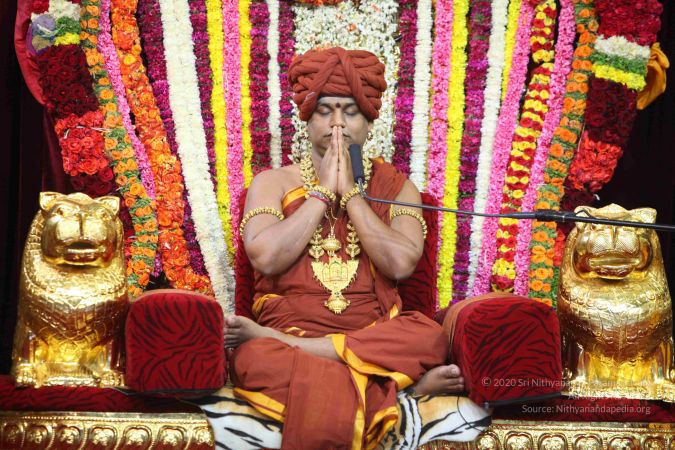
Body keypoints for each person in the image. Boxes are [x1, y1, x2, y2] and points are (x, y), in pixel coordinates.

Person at [225, 47, 466, 449]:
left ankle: (306, 355)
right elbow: (265, 257)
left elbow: (401, 264)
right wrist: (322, 193)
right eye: (325, 111)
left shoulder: (397, 188)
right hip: (289, 329)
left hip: (372, 333)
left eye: (350, 112)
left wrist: (352, 194)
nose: (337, 123)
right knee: (254, 358)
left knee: (429, 337)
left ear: (369, 121)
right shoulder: (273, 183)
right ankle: (401, 392)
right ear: (306, 118)